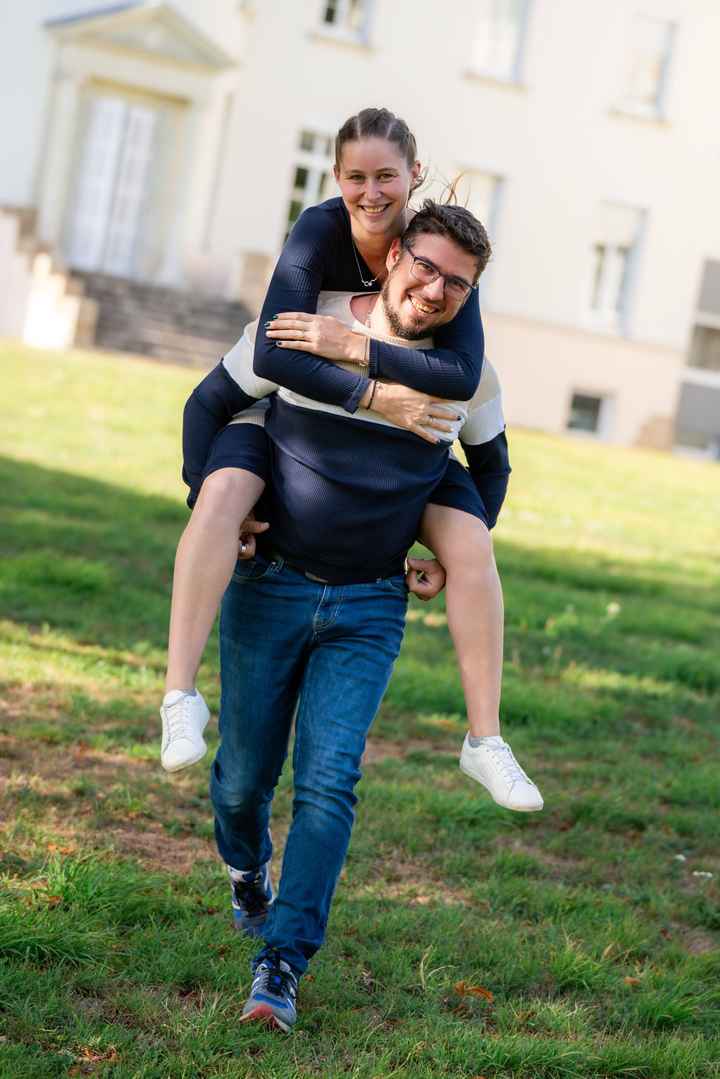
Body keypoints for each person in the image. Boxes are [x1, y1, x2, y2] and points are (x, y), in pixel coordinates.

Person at [206, 201, 541, 1031]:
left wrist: (452, 549)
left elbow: (491, 471)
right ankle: (247, 866)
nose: (434, 290)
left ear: (471, 299)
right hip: (272, 584)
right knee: (244, 779)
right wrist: (215, 503)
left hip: (368, 605)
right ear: (392, 256)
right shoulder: (308, 326)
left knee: (328, 780)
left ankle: (280, 961)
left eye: (455, 284)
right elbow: (210, 402)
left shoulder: (470, 377)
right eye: (423, 267)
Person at [160, 107, 542, 814]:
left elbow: (461, 382)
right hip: (275, 421)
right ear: (337, 180)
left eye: (387, 176)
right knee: (221, 496)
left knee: (472, 540)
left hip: (403, 458)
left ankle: (486, 738)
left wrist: (360, 350)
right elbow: (266, 360)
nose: (372, 192)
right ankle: (178, 693)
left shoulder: (448, 273)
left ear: (414, 175)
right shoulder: (319, 237)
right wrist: (373, 393)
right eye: (356, 177)